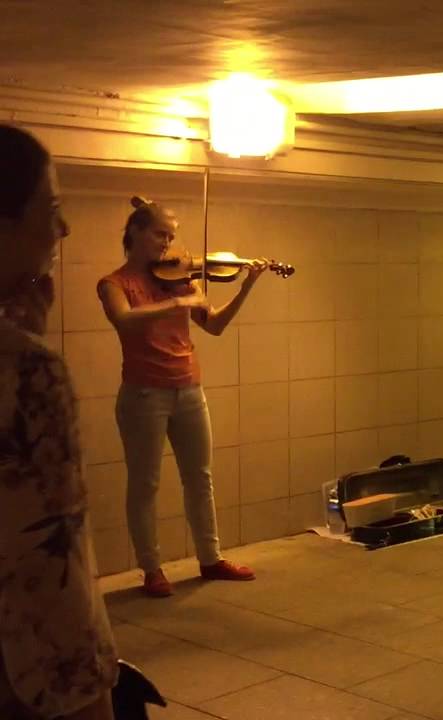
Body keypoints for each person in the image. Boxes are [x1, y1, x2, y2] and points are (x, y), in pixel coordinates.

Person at [0, 125, 118, 719]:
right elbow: (56, 554)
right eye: (49, 209)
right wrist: (89, 686)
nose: (62, 229)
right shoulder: (31, 371)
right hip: (27, 669)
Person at [97, 197, 264, 598]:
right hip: (143, 394)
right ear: (135, 232)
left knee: (199, 477)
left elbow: (215, 326)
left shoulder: (179, 278)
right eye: (160, 233)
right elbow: (122, 318)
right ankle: (151, 569)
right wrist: (174, 302)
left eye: (171, 236)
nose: (168, 243)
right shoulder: (115, 284)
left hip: (188, 388)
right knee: (145, 484)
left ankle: (210, 559)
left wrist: (246, 287)